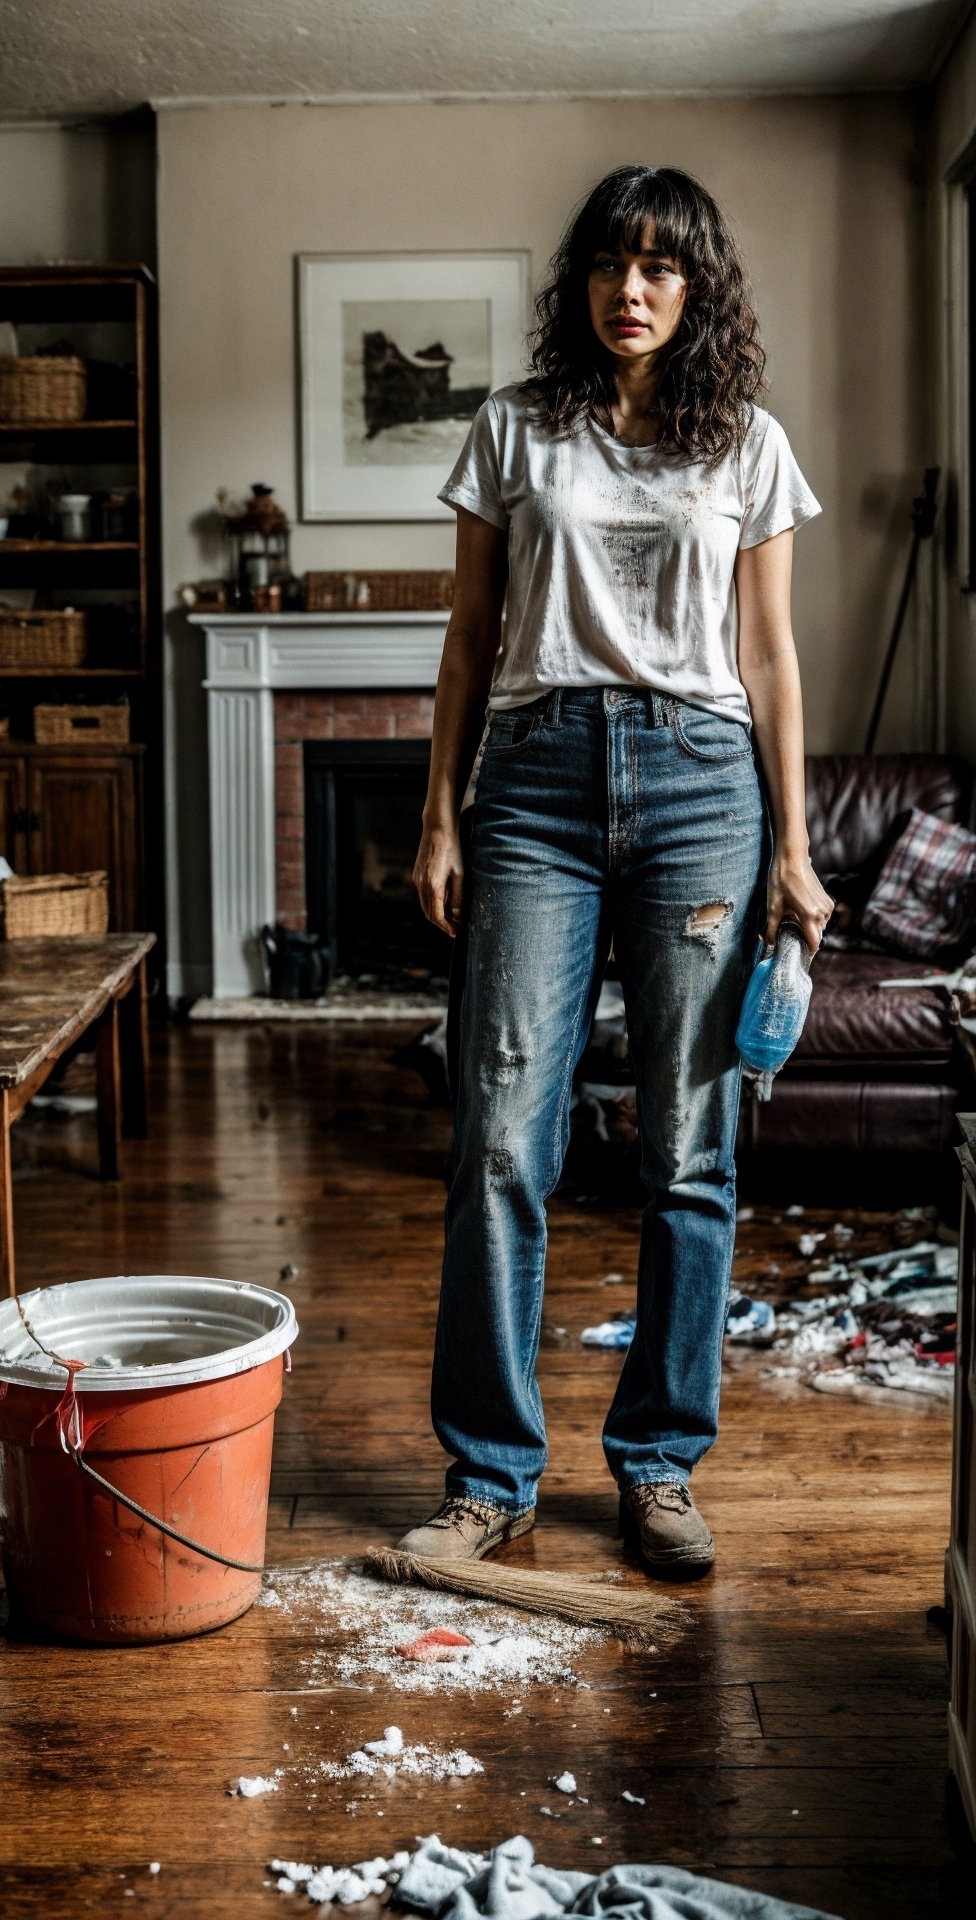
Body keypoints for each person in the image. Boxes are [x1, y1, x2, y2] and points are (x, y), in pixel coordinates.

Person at [399, 164, 835, 1580]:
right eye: (608, 264)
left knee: (688, 1148)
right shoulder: (513, 429)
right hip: (531, 784)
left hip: (704, 789)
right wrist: (441, 815)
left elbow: (769, 656)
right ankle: (490, 1473)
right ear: (578, 284)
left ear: (697, 288)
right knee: (500, 1139)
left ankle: (658, 1461)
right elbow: (468, 636)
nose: (630, 289)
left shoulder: (748, 444)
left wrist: (795, 842)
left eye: (660, 266)